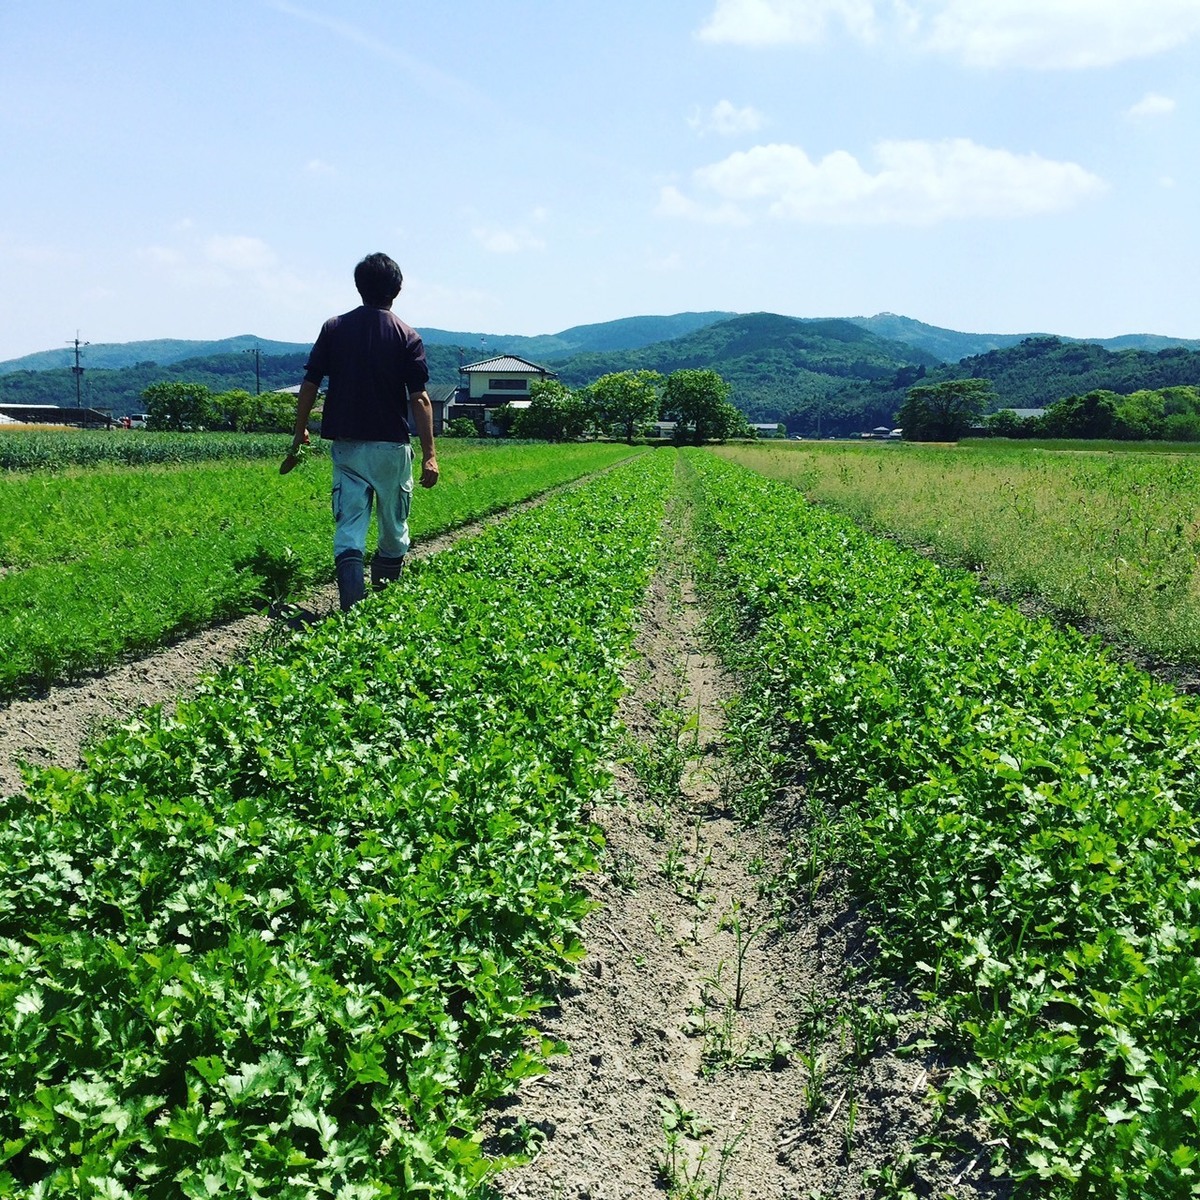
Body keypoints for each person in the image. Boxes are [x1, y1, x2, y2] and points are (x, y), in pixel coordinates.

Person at [287, 252, 439, 611]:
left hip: (347, 445)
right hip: (390, 446)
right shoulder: (408, 336)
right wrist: (431, 454)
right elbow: (419, 399)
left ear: (358, 287)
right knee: (393, 525)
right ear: (397, 289)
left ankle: (352, 608)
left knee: (350, 525)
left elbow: (310, 383)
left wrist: (299, 431)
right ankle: (382, 608)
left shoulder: (335, 328)